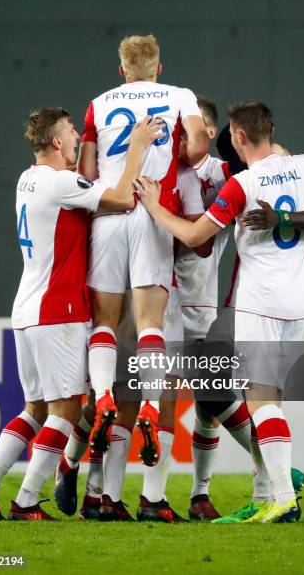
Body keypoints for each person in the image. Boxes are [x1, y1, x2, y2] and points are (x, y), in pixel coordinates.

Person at [134, 100, 304, 523]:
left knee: (257, 399)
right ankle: (267, 492)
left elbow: (197, 235)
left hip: (258, 302)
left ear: (236, 136)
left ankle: (282, 495)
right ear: (271, 130)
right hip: (298, 301)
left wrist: (154, 207)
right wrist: (287, 215)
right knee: (252, 396)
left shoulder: (243, 184)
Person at [0, 108, 164, 521]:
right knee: (67, 409)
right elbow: (124, 199)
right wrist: (137, 148)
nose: (77, 138)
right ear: (56, 141)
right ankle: (26, 501)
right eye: (72, 133)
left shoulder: (27, 177)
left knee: (33, 409)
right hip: (59, 309)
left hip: (26, 308)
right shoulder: (60, 182)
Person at [78, 34, 208, 466]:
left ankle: (102, 399)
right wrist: (176, 156)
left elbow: (87, 170)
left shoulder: (99, 103)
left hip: (110, 215)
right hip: (153, 211)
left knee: (106, 322)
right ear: (159, 66)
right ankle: (150, 406)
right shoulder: (179, 95)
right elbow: (199, 145)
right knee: (151, 321)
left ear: (121, 70)